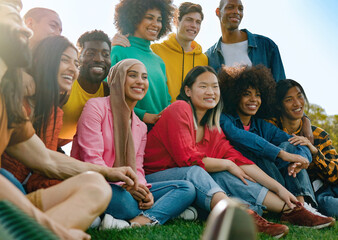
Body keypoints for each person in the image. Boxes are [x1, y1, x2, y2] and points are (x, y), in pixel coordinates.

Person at [0, 1, 139, 239]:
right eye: (13, 19)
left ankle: (21, 232)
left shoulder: (5, 97)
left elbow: (46, 160)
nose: (27, 30)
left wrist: (107, 172)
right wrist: (53, 228)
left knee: (95, 186)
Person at [144, 65, 335, 237]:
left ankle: (290, 209)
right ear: (188, 90)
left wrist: (280, 189)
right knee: (202, 169)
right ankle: (243, 213)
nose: (210, 92)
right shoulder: (180, 109)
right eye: (203, 86)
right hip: (157, 181)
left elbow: (239, 160)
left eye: (214, 87)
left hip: (193, 187)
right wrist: (227, 163)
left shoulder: (213, 127)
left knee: (222, 171)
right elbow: (188, 159)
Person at [71, 59, 195, 229]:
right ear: (117, 79)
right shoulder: (96, 107)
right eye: (132, 75)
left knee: (186, 188)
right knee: (125, 203)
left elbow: (137, 168)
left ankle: (132, 223)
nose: (140, 81)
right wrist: (125, 186)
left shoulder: (140, 126)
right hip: (97, 183)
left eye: (144, 77)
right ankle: (161, 211)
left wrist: (144, 191)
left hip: (127, 189)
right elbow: (91, 159)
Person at [218, 65, 335, 228]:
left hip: (279, 182)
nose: (254, 99)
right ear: (235, 96)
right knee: (264, 152)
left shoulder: (261, 125)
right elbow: (240, 137)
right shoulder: (225, 120)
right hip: (252, 179)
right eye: (247, 94)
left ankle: (302, 206)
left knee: (292, 144)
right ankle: (299, 211)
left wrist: (303, 160)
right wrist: (282, 154)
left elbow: (296, 142)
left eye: (258, 95)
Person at [1, 35, 79, 193]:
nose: (73, 69)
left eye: (77, 64)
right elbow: (44, 163)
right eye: (65, 60)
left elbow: (42, 173)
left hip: (21, 187)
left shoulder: (54, 113)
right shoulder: (15, 93)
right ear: (42, 60)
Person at [112, 2, 208, 102]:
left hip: (175, 116)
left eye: (198, 22)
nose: (193, 25)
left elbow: (165, 99)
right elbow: (111, 93)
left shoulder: (203, 59)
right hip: (132, 116)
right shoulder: (155, 50)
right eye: (189, 20)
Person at [271, 79, 338, 218]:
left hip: (327, 185)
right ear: (278, 106)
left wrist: (314, 152)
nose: (297, 103)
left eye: (300, 96)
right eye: (289, 99)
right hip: (315, 194)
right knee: (328, 206)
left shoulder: (319, 134)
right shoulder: (271, 129)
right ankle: (304, 207)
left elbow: (335, 174)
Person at [111, 0, 174, 127]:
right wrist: (143, 115)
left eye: (159, 20)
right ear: (134, 18)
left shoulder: (159, 61)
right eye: (149, 18)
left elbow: (166, 100)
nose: (155, 24)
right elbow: (109, 94)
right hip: (130, 129)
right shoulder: (119, 51)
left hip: (159, 133)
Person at [205, 0, 285, 82]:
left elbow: (282, 87)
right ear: (218, 12)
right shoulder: (210, 56)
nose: (236, 12)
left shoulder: (266, 46)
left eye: (240, 9)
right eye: (230, 7)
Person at [59, 30, 111, 141]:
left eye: (105, 54)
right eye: (90, 53)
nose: (99, 59)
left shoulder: (107, 91)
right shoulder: (66, 87)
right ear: (78, 57)